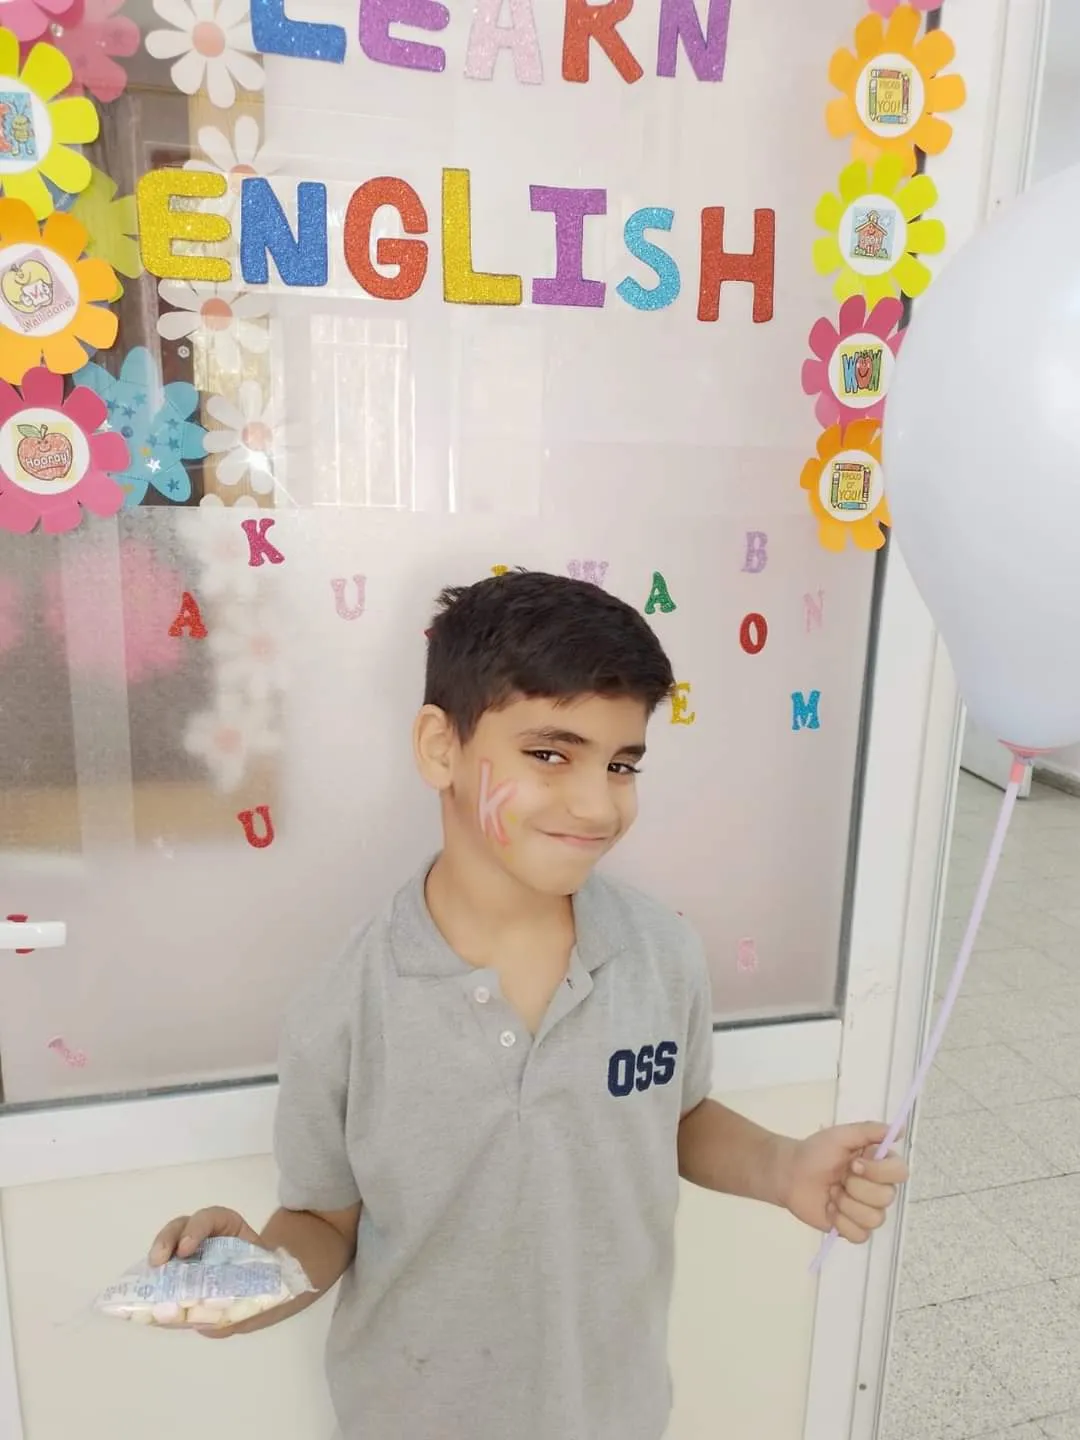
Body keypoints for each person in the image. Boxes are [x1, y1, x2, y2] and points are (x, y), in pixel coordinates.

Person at [151, 570, 907, 1440]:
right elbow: (324, 1218)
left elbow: (673, 1113)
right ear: (440, 747)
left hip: (614, 1415)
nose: (597, 803)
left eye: (622, 765)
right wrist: (253, 1277)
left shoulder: (660, 954)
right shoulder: (344, 1004)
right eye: (550, 754)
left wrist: (784, 1167)